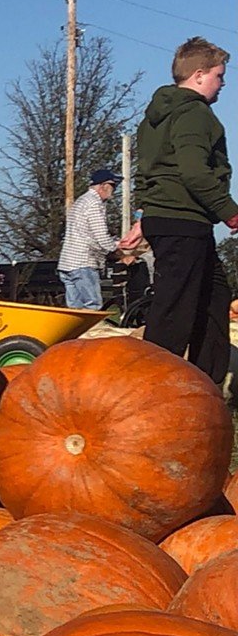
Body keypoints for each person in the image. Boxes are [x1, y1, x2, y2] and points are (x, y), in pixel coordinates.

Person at [123, 37, 238, 385]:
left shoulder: (153, 118)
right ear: (200, 74)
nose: (223, 84)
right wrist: (231, 213)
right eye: (220, 75)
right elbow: (194, 171)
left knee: (214, 297)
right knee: (175, 308)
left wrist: (144, 217)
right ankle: (152, 388)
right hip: (183, 220)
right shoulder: (195, 114)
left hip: (169, 217)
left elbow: (146, 172)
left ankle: (206, 385)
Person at [56, 172, 120, 310]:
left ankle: (78, 332)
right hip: (83, 262)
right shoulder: (94, 204)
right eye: (113, 185)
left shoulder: (80, 201)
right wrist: (116, 250)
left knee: (75, 310)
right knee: (93, 305)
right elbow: (100, 235)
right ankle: (92, 331)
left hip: (68, 262)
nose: (114, 190)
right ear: (103, 186)